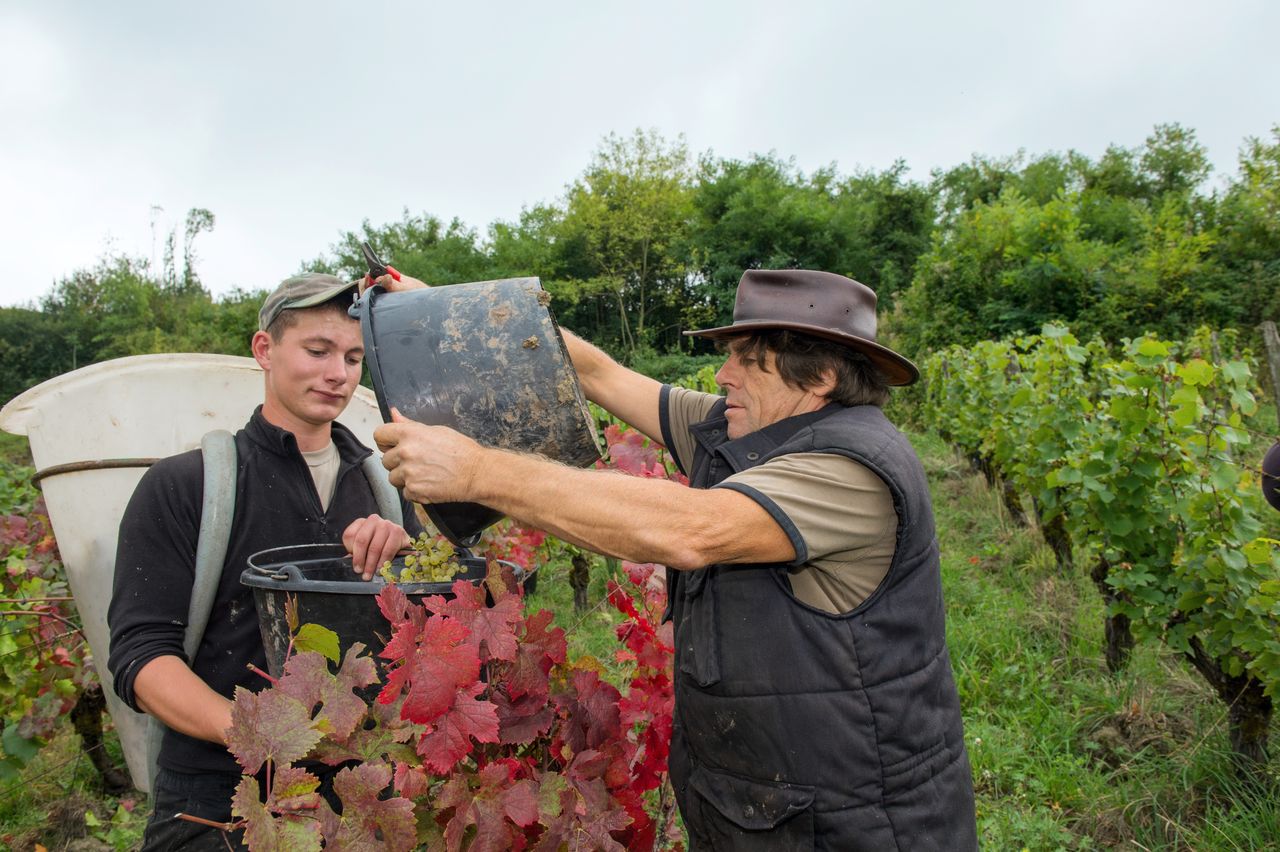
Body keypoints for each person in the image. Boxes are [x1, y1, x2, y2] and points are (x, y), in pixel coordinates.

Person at [372, 268, 978, 850]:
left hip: (855, 820)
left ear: (818, 375)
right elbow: (600, 375)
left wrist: (478, 471)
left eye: (745, 359)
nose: (721, 374)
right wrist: (448, 307)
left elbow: (692, 529)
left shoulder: (852, 469)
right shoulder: (745, 431)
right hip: (765, 809)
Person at [107, 273, 423, 851]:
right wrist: (260, 735)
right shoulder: (187, 486)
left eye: (354, 357)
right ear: (264, 350)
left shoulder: (389, 489)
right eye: (318, 350)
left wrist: (409, 563)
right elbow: (141, 658)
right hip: (217, 798)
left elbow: (425, 634)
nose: (339, 374)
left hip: (355, 795)